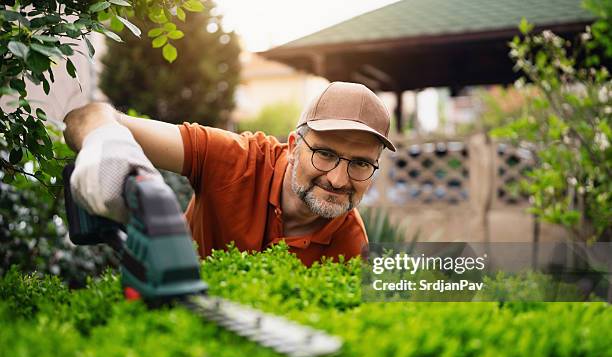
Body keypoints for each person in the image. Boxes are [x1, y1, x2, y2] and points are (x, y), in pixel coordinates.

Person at [64, 81, 396, 266]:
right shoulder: (234, 161)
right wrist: (103, 141)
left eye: (360, 164)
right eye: (324, 154)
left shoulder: (351, 246)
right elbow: (87, 115)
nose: (338, 180)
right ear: (294, 145)